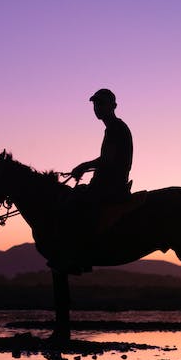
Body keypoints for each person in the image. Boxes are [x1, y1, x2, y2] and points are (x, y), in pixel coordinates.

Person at [56, 89, 134, 273]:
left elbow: (107, 161)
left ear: (113, 106)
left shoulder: (116, 128)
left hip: (110, 185)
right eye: (95, 104)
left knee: (74, 204)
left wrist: (83, 166)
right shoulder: (112, 128)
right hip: (106, 183)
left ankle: (80, 256)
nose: (97, 108)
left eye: (101, 104)